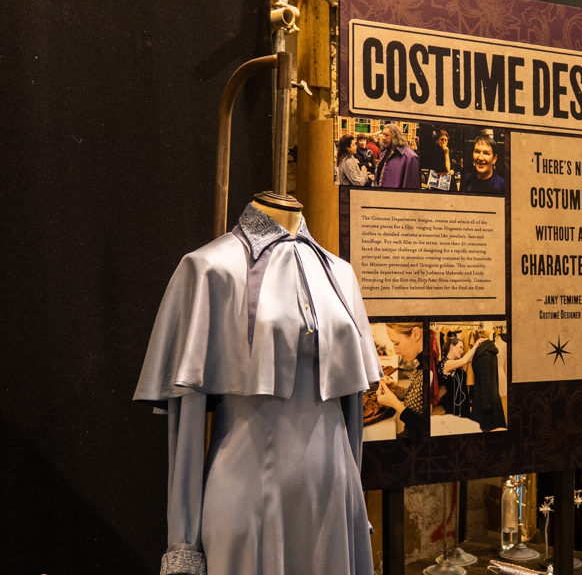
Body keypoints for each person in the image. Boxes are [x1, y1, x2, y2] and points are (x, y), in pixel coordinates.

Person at [134, 197, 379, 574]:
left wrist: (354, 501)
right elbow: (187, 415)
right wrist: (183, 538)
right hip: (249, 492)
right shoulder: (207, 267)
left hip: (335, 492)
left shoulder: (340, 272)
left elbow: (352, 405)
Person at [376, 322, 429, 437]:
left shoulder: (431, 368)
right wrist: (396, 389)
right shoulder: (421, 363)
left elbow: (424, 427)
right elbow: (418, 400)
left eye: (396, 343)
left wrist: (394, 403)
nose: (395, 351)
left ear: (416, 334)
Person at [436, 331, 485, 417]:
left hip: (463, 407)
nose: (462, 351)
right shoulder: (445, 363)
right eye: (461, 347)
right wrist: (476, 343)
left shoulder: (456, 364)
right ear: (452, 346)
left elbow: (469, 359)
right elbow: (464, 360)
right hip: (452, 410)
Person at [373, 123, 420, 189]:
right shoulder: (383, 153)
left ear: (395, 136)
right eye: (383, 134)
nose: (383, 138)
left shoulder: (410, 157)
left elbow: (410, 187)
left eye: (387, 135)